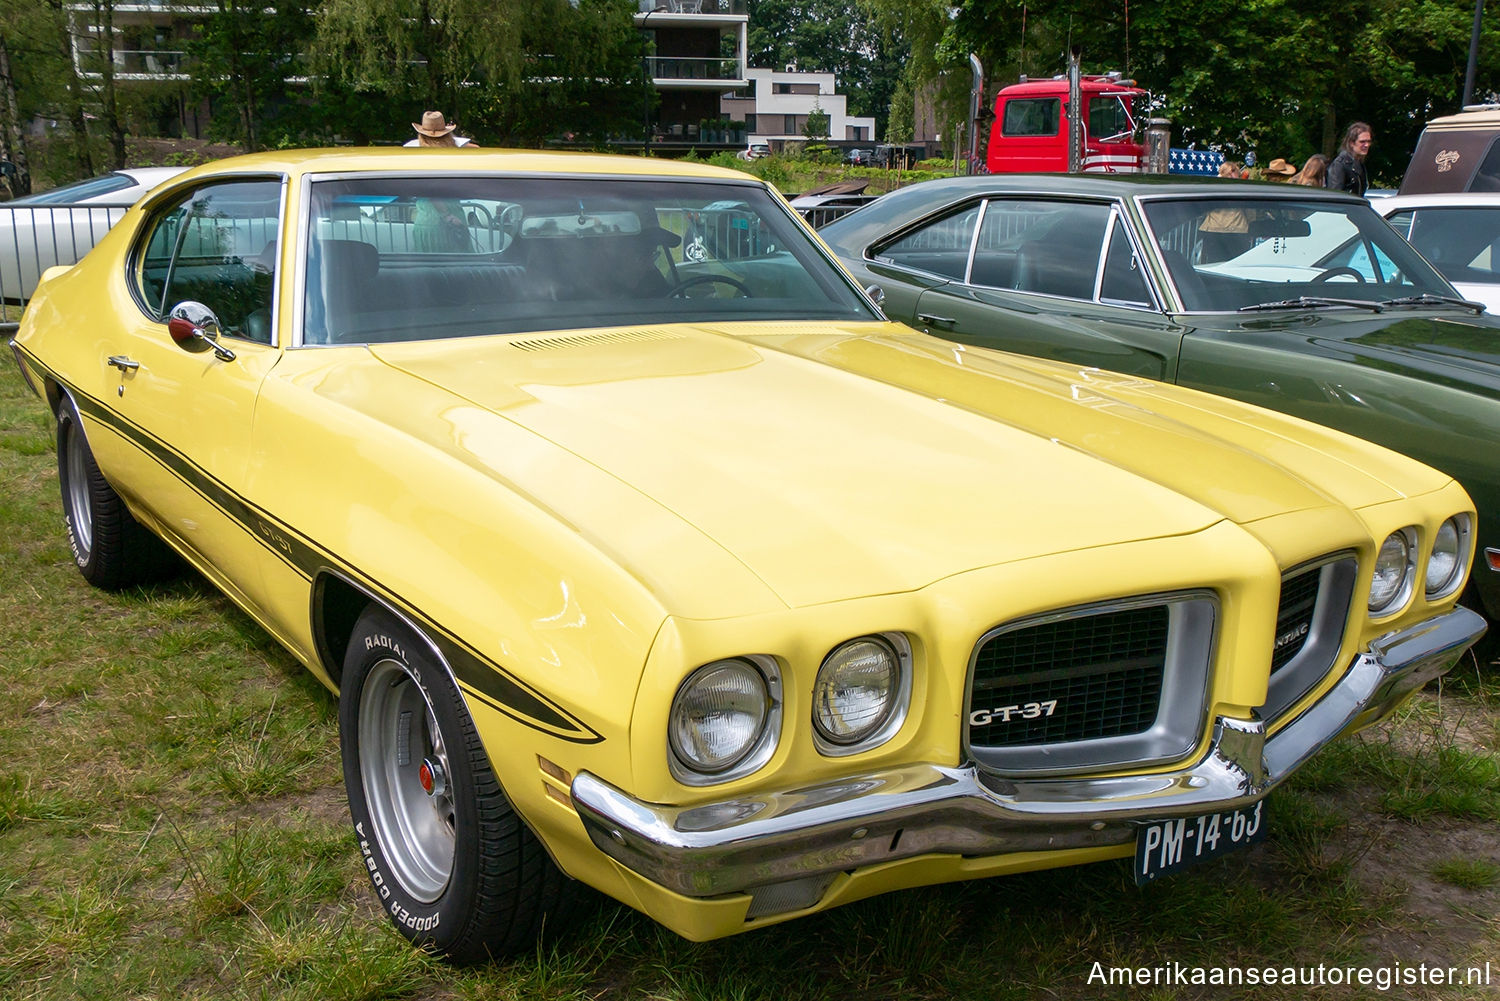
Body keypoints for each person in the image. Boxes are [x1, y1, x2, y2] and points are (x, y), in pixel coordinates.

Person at [1326, 122, 1371, 195]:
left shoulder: (1359, 164)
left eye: (1368, 141)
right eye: (1362, 142)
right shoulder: (1339, 165)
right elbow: (1335, 196)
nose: (1367, 145)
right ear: (1351, 143)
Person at [405, 110, 476, 148]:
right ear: (447, 134)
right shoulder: (460, 145)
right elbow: (476, 149)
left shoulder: (411, 147)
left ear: (421, 134)